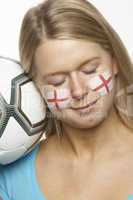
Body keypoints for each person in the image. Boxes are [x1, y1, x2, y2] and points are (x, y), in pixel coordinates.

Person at [0, 0, 133, 199]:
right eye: (57, 81)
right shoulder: (10, 179)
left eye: (90, 70)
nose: (78, 91)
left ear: (114, 61)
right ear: (35, 86)